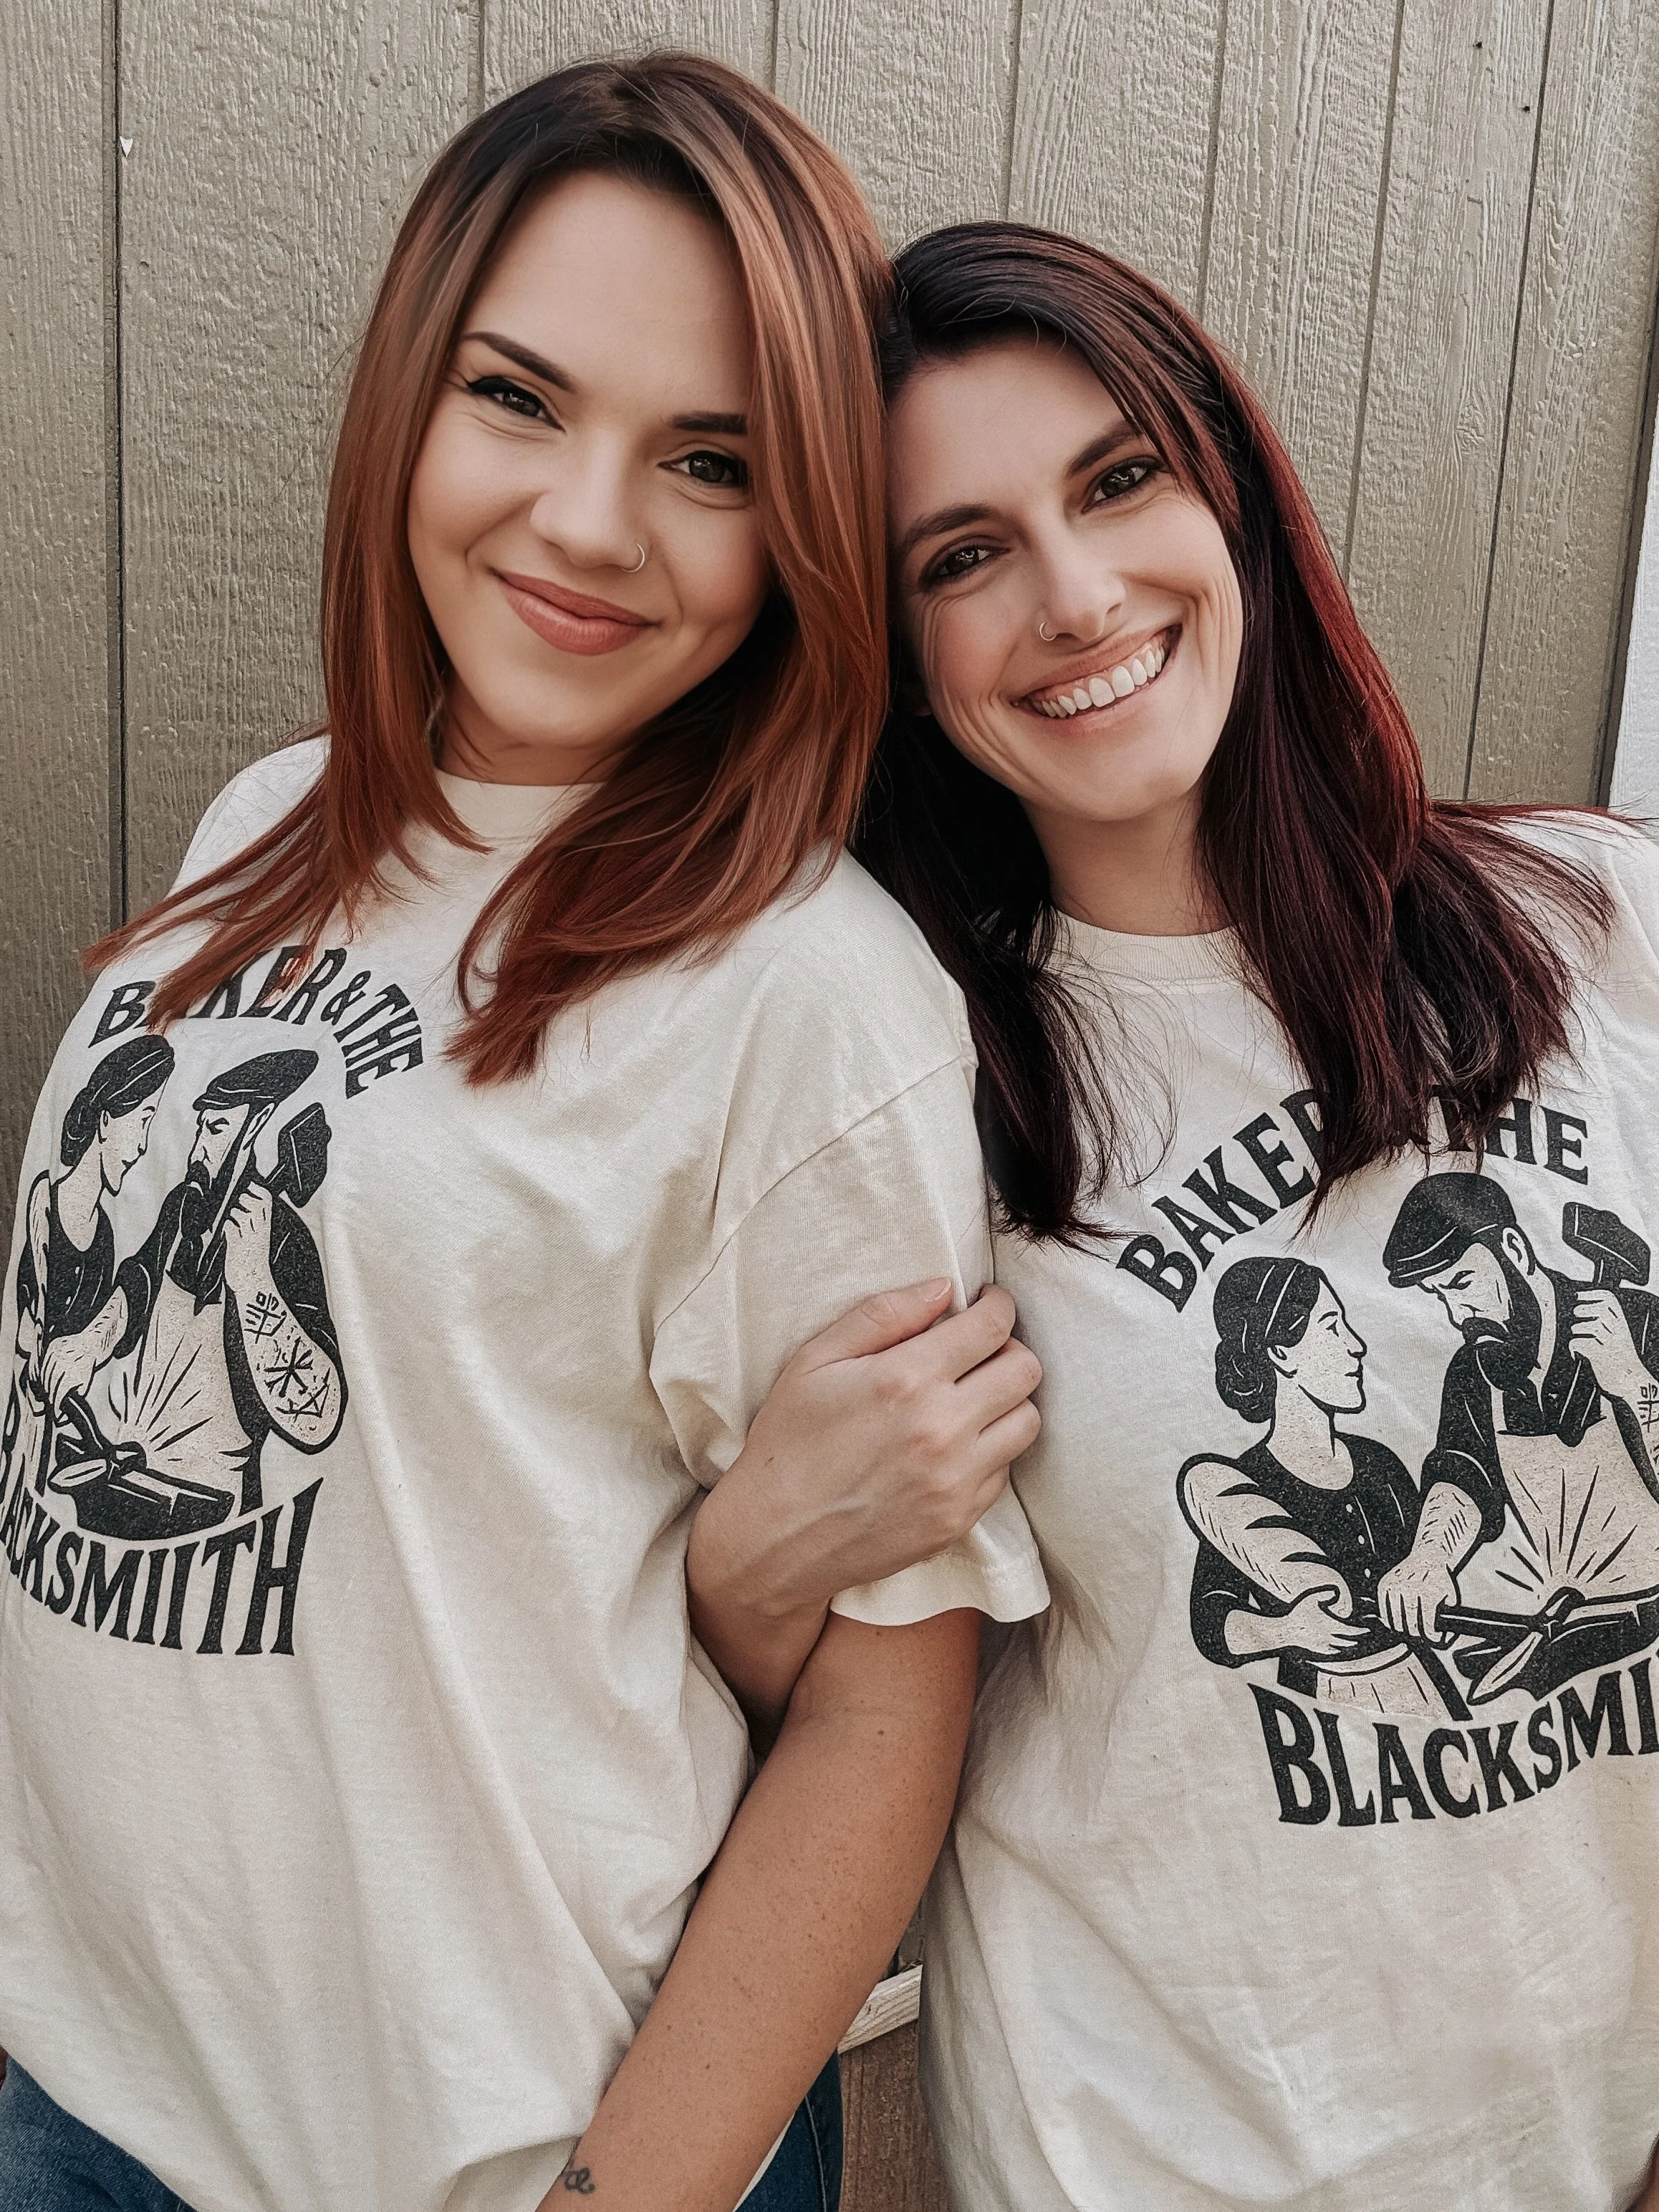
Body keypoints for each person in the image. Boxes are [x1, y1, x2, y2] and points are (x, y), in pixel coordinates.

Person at [0, 64, 1047, 2212]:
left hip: (487, 2150)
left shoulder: (803, 997)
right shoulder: (270, 830)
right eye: (517, 399)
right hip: (90, 2075)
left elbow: (884, 1714)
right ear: (410, 398)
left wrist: (620, 2199)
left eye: (707, 460)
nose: (587, 523)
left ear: (801, 532)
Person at [689, 221, 1659, 2208]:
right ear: (890, 645)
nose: (1070, 594)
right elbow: (839, 1725)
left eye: (1116, 481)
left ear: (1229, 492)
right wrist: (751, 1563)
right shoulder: (901, 1092)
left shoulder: (1600, 922)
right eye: (959, 556)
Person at [1176, 1254, 1462, 1718]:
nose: (1356, 1346)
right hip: (1319, 1707)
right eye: (1332, 1327)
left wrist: (1433, 1596)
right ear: (1281, 1353)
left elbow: (1423, 1571)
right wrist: (1285, 1631)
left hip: (1418, 1683)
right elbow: (1212, 1622)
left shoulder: (1377, 1462)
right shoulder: (1242, 1490)